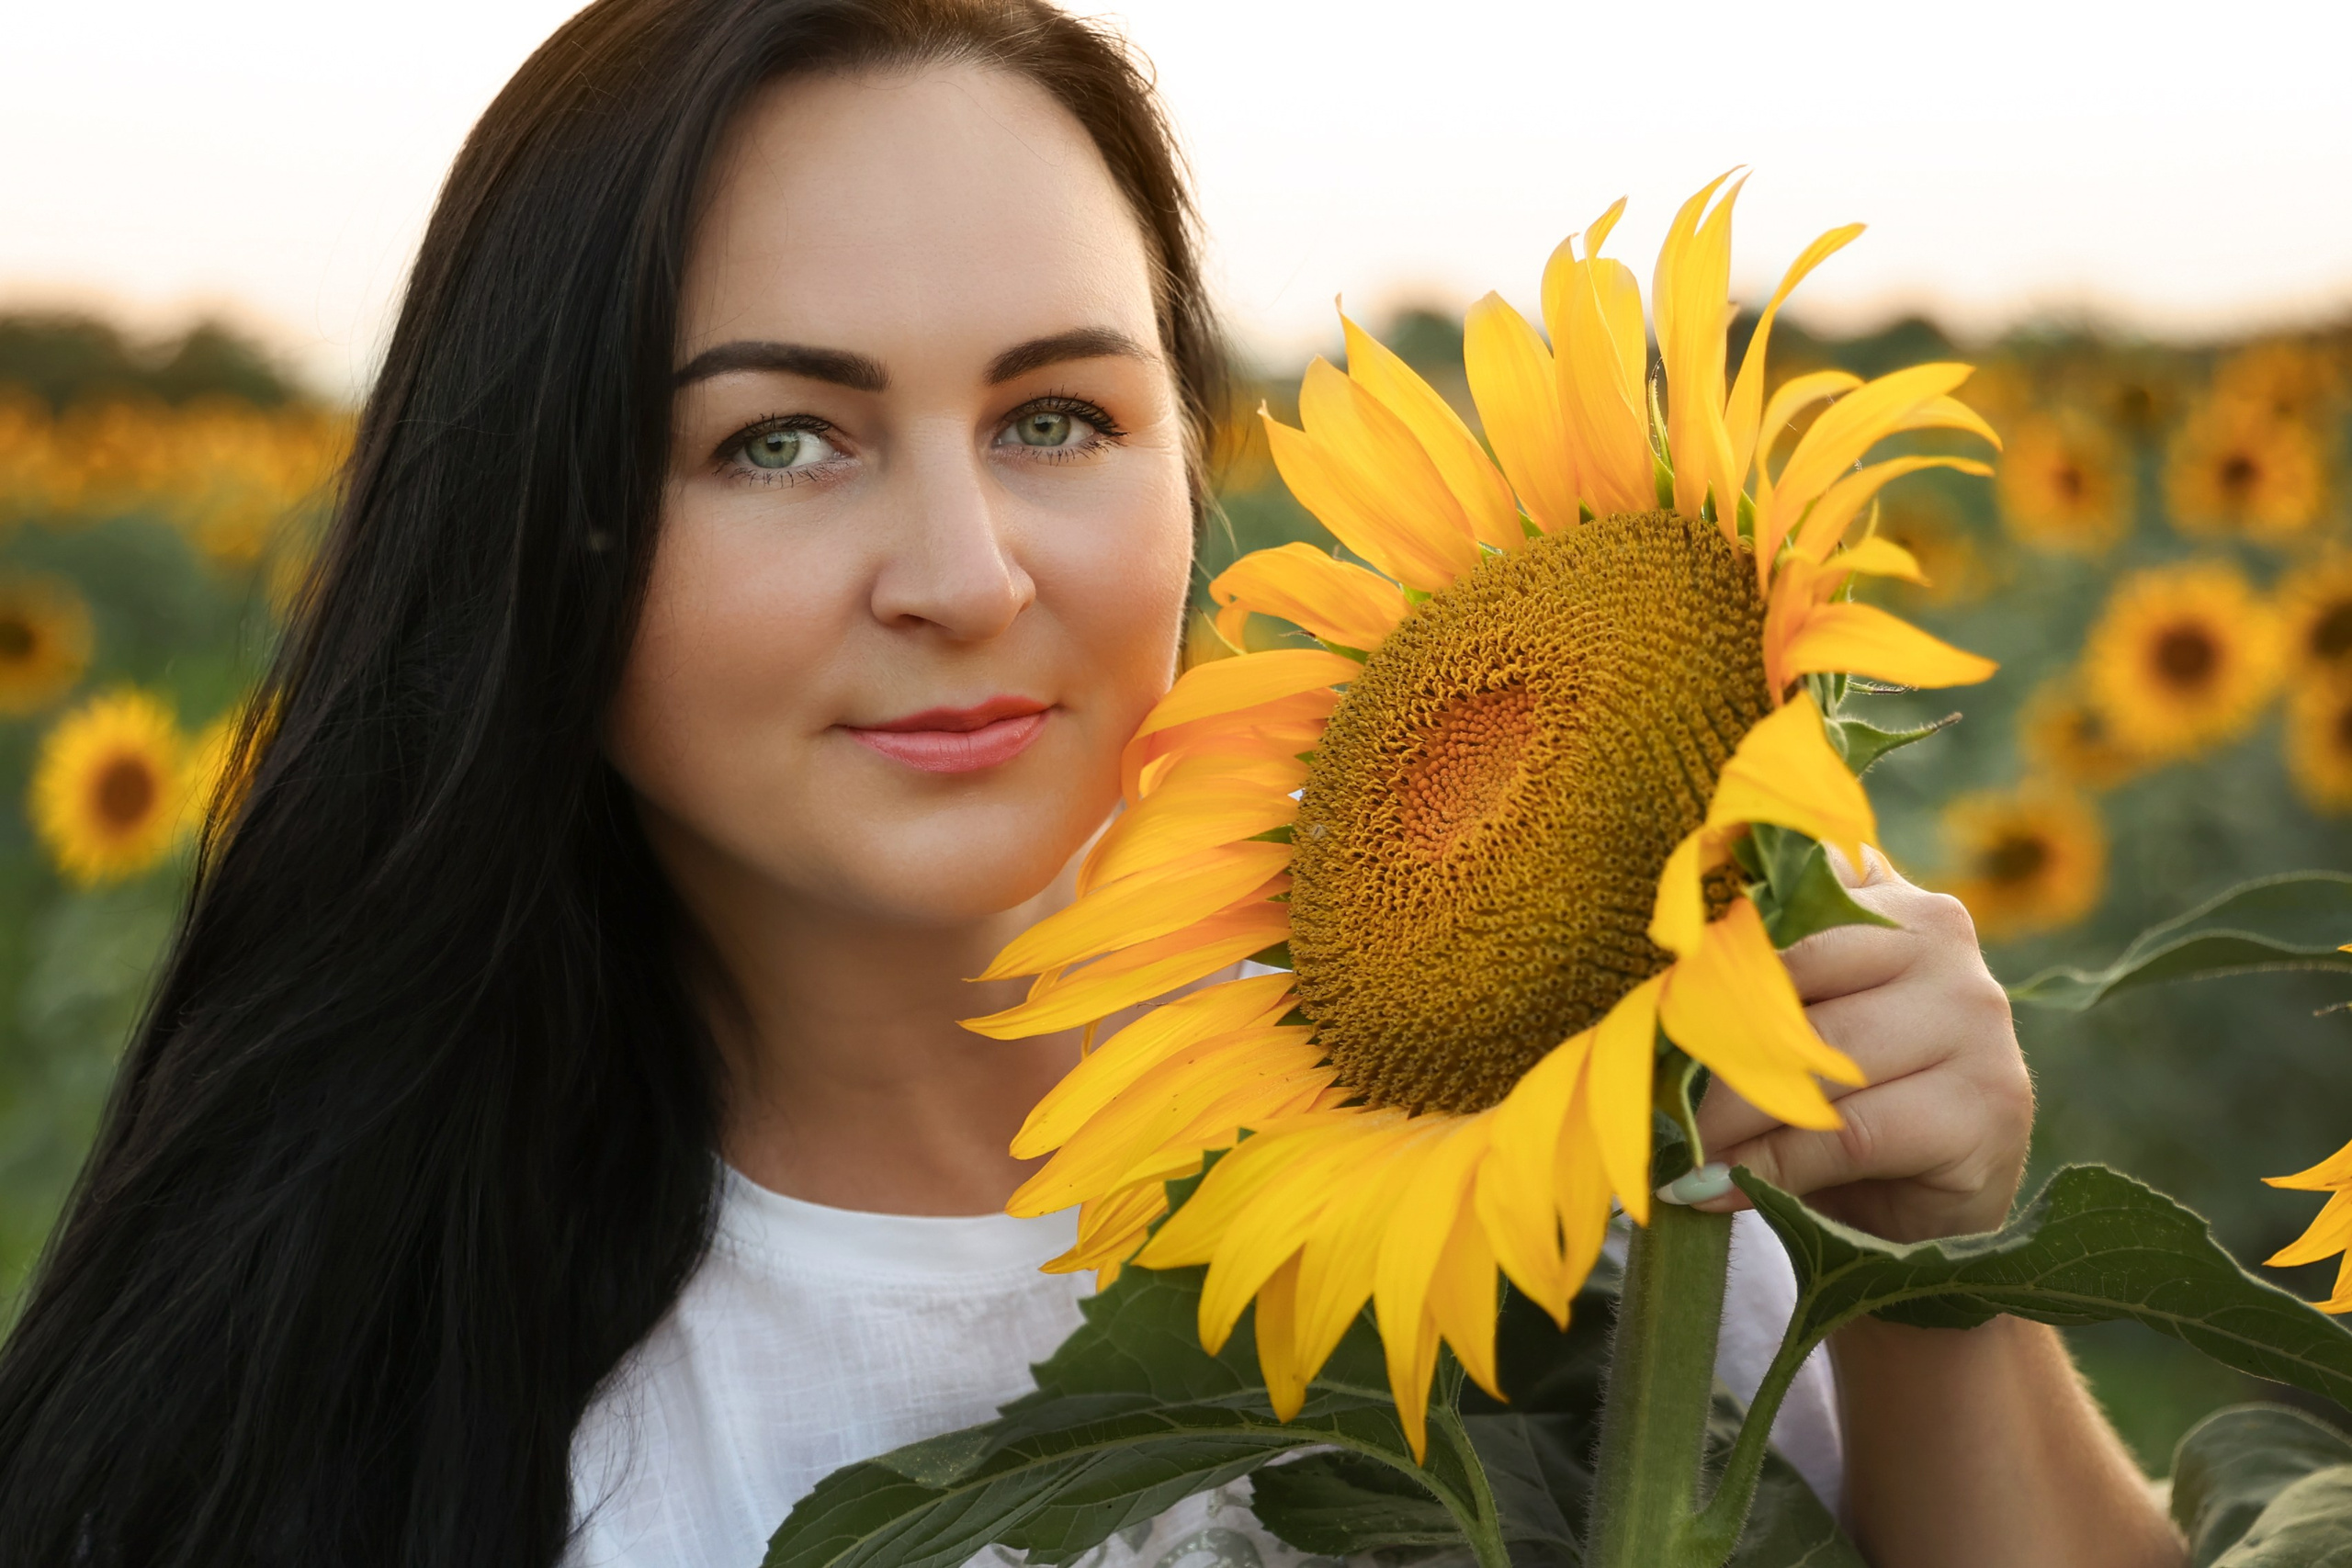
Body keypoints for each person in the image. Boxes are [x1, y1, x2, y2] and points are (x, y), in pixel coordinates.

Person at [0, 2, 2186, 1565]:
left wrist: (1926, 1267)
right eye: (781, 437)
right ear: (545, 524)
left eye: (1056, 416)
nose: (964, 575)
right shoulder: (369, 1419)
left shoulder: (1577, 1075)